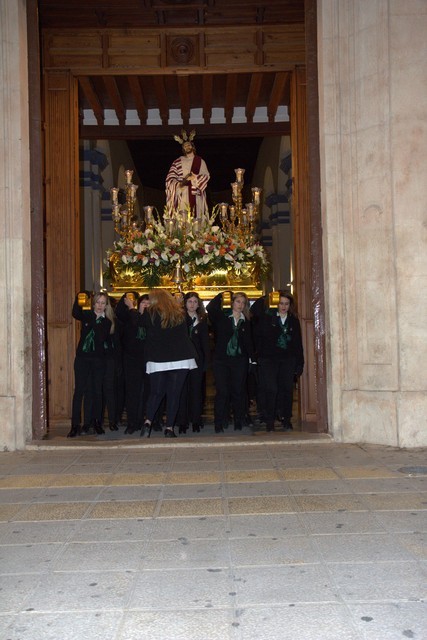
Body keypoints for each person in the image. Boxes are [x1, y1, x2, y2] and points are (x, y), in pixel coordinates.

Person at [139, 289, 198, 438]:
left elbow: (140, 324)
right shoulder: (179, 312)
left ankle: (147, 422)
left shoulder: (150, 312)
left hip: (158, 358)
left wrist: (136, 309)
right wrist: (178, 305)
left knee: (156, 393)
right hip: (181, 357)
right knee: (174, 394)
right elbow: (190, 322)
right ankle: (170, 428)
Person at [251, 291, 304, 431]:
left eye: (286, 304)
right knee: (271, 389)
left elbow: (298, 343)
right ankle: (270, 420)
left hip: (287, 360)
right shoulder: (267, 318)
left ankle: (286, 419)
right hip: (269, 360)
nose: (284, 307)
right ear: (276, 304)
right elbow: (259, 336)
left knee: (286, 389)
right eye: (281, 303)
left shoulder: (293, 321)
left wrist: (300, 362)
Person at [206, 291, 253, 433]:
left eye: (243, 303)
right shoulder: (222, 317)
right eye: (238, 302)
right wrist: (223, 294)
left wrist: (252, 360)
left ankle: (238, 420)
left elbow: (249, 342)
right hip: (222, 360)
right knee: (222, 391)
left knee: (238, 391)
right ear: (232, 302)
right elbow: (210, 308)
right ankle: (219, 422)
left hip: (239, 360)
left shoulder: (246, 320)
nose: (240, 305)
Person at [68, 291, 112, 438]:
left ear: (106, 306)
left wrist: (94, 318)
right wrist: (79, 297)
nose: (100, 306)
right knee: (79, 391)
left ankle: (97, 422)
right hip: (82, 359)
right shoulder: (86, 315)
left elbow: (99, 337)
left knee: (97, 391)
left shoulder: (107, 322)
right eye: (98, 302)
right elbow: (75, 312)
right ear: (93, 303)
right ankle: (75, 425)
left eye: (103, 303)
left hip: (98, 360)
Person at [115, 292, 150, 435]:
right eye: (143, 303)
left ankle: (144, 420)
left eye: (149, 304)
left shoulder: (152, 320)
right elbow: (133, 321)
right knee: (132, 392)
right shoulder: (129, 318)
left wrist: (133, 309)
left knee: (146, 393)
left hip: (148, 360)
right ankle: (132, 422)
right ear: (138, 304)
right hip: (131, 360)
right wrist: (131, 308)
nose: (146, 306)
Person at [175, 292, 210, 434]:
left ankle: (196, 420)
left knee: (196, 391)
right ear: (185, 303)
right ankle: (182, 421)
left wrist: (206, 361)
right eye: (190, 301)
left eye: (195, 302)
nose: (192, 304)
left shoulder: (202, 320)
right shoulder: (179, 319)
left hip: (197, 360)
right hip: (182, 359)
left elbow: (205, 343)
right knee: (182, 391)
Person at [165, 130, 210, 218]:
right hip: (182, 193)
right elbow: (170, 178)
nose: (187, 147)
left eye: (189, 145)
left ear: (192, 147)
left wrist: (195, 178)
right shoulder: (177, 161)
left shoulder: (200, 161)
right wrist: (178, 184)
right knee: (182, 218)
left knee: (197, 216)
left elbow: (206, 175)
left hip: (195, 192)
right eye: (185, 146)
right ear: (183, 149)